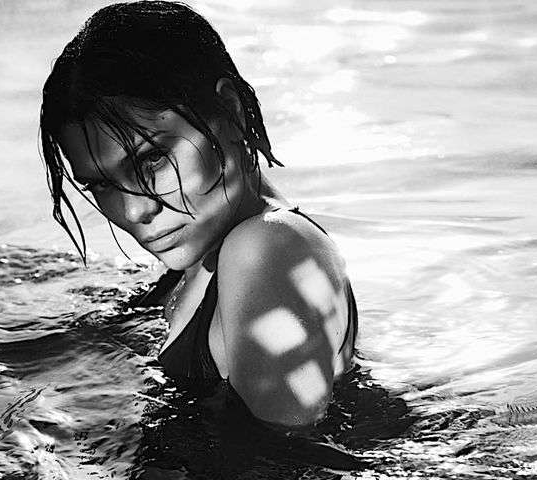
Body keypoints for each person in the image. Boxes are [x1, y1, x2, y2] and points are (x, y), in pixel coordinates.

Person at [39, 0, 358, 429]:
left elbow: (283, 457)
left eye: (151, 159)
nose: (134, 209)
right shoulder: (203, 256)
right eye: (102, 184)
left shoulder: (267, 247)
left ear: (229, 111)